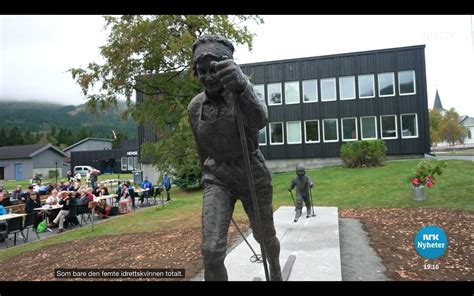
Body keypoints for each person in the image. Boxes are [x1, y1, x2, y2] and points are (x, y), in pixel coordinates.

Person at [187, 35, 282, 281]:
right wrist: (207, 177)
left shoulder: (241, 93)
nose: (208, 77)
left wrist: (242, 87)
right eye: (202, 71)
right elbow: (201, 149)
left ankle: (275, 268)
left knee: (264, 236)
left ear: (228, 66)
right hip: (217, 177)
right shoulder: (195, 107)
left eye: (214, 70)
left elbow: (259, 120)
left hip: (251, 171)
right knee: (211, 251)